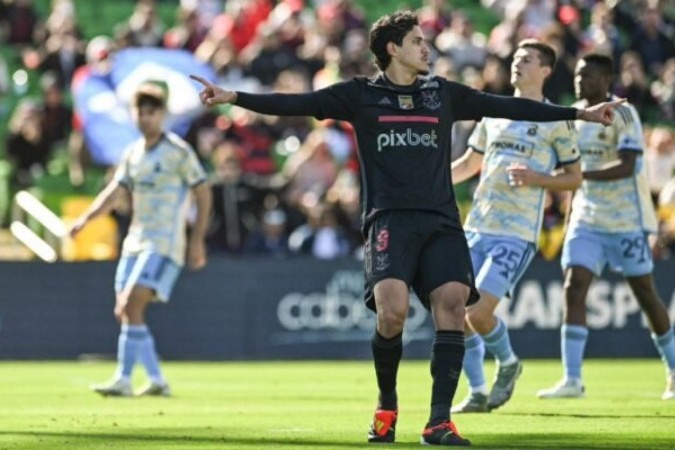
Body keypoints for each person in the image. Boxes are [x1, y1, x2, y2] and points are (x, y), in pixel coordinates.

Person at [191, 11, 624, 446]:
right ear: (393, 49)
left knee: (453, 306)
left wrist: (580, 115)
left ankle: (439, 422)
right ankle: (386, 405)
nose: (427, 47)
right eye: (417, 41)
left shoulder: (443, 94)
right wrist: (233, 96)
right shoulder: (359, 95)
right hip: (389, 221)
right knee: (392, 313)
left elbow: (507, 105)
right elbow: (297, 102)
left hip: (440, 221)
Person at [449, 40, 582, 413]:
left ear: (546, 70)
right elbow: (468, 164)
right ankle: (477, 392)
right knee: (454, 311)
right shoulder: (493, 113)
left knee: (477, 313)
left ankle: (508, 364)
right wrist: (432, 179)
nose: (517, 63)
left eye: (527, 59)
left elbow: (574, 178)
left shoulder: (555, 118)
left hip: (517, 232)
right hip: (477, 227)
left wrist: (539, 177)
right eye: (516, 58)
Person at [537, 53, 675, 401]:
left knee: (645, 294)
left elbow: (626, 166)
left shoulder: (623, 113)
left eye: (588, 75)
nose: (580, 80)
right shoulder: (572, 119)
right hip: (587, 219)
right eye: (578, 73)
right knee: (574, 285)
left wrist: (578, 177)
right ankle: (572, 379)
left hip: (628, 219)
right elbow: (570, 178)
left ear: (606, 78)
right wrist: (569, 221)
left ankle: (674, 369)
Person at [69, 82, 212, 397]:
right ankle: (157, 380)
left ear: (161, 115)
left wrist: (197, 239)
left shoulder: (177, 152)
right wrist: (85, 219)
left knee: (130, 304)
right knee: (126, 312)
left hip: (164, 242)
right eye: (140, 112)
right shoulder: (133, 153)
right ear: (133, 114)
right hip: (134, 241)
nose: (145, 118)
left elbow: (203, 192)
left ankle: (123, 378)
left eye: (152, 112)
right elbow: (113, 193)